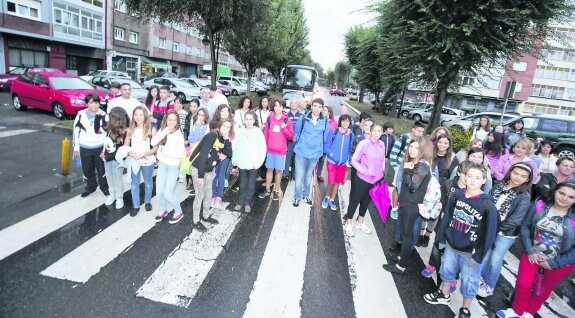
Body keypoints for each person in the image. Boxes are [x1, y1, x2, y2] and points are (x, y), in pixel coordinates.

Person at [423, 163, 498, 318]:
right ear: (463, 176)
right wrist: (443, 239)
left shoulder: (487, 204)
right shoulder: (456, 195)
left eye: (477, 177)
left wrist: (479, 256)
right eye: (469, 176)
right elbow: (447, 218)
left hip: (471, 251)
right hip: (452, 245)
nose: (472, 180)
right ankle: (444, 295)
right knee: (447, 271)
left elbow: (490, 233)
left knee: (470, 280)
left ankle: (465, 308)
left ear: (484, 180)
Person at [496, 182, 575, 318]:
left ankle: (529, 313)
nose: (564, 198)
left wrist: (554, 263)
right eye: (562, 193)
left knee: (543, 289)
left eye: (571, 197)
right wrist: (530, 250)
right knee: (523, 283)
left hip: (559, 262)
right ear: (555, 191)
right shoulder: (540, 205)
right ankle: (517, 311)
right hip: (532, 253)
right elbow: (526, 226)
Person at [478, 163, 533, 297]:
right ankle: (480, 279)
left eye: (523, 176)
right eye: (516, 173)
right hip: (489, 226)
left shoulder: (524, 196)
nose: (518, 177)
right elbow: (486, 203)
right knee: (485, 255)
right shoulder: (498, 186)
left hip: (505, 233)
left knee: (495, 259)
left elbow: (516, 220)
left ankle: (490, 285)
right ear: (510, 172)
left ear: (527, 179)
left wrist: (494, 228)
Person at [383, 137, 433, 271]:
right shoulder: (417, 164)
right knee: (407, 235)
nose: (412, 150)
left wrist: (406, 170)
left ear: (423, 150)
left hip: (411, 206)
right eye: (411, 146)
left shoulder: (422, 166)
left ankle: (401, 266)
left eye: (416, 148)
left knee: (407, 236)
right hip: (408, 204)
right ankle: (402, 258)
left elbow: (412, 186)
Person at [421, 161, 472, 291]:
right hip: (445, 222)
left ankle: (453, 277)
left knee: (456, 252)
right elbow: (441, 199)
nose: (468, 179)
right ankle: (432, 264)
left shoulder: (472, 191)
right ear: (459, 172)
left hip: (461, 227)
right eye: (466, 174)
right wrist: (442, 210)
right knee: (438, 244)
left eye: (471, 176)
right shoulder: (449, 184)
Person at [189, 118, 233, 232]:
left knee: (208, 194)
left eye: (228, 127)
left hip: (208, 170)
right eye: (224, 126)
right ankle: (195, 221)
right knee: (200, 195)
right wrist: (200, 176)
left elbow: (229, 153)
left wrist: (227, 139)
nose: (226, 129)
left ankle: (206, 216)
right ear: (219, 125)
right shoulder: (212, 135)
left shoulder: (222, 139)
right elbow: (203, 154)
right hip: (198, 168)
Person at [417, 134, 459, 248]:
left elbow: (453, 177)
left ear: (449, 144)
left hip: (442, 189)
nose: (442, 145)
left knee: (435, 213)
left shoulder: (452, 158)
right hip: (427, 185)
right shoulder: (431, 153)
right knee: (423, 209)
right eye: (440, 142)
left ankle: (427, 234)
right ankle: (420, 232)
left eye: (446, 143)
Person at [344, 123, 385, 237]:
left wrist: (381, 173)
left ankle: (360, 222)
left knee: (366, 201)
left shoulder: (382, 144)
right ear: (370, 132)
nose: (377, 133)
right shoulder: (364, 143)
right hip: (362, 179)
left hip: (375, 180)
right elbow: (354, 160)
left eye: (379, 131)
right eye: (375, 130)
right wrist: (364, 171)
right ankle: (349, 223)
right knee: (355, 200)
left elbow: (382, 161)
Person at [292, 98, 329, 207]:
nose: (317, 108)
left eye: (319, 106)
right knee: (299, 176)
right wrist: (301, 142)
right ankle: (297, 197)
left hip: (314, 154)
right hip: (301, 152)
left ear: (322, 108)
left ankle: (306, 195)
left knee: (308, 175)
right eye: (315, 105)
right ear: (311, 106)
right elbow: (297, 133)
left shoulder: (325, 121)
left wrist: (320, 150)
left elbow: (325, 138)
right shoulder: (303, 118)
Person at [151, 111, 186, 224]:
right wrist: (165, 131)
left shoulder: (179, 135)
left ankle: (178, 211)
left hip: (173, 166)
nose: (172, 122)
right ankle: (163, 210)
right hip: (162, 164)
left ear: (177, 122)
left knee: (168, 193)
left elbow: (180, 154)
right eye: (169, 119)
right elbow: (153, 142)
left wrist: (163, 152)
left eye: (174, 120)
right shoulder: (163, 130)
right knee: (159, 191)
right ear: (166, 120)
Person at [72, 93, 109, 198]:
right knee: (87, 170)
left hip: (99, 147)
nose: (94, 106)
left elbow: (107, 135)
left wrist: (105, 150)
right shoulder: (80, 115)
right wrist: (76, 148)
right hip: (85, 148)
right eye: (91, 103)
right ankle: (91, 187)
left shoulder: (104, 115)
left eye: (96, 103)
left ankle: (104, 188)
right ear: (87, 104)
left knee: (102, 170)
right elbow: (76, 132)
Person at [388, 121, 426, 219]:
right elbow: (393, 153)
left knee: (406, 189)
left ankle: (402, 206)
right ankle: (394, 208)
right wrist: (397, 168)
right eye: (419, 131)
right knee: (397, 188)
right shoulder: (404, 138)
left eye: (422, 132)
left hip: (412, 169)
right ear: (413, 130)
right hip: (401, 168)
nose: (421, 134)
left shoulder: (420, 143)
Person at [124, 106, 157, 216]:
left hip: (147, 160)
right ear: (133, 116)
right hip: (134, 161)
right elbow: (125, 146)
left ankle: (147, 201)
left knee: (148, 182)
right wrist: (130, 153)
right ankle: (136, 206)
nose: (138, 117)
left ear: (145, 116)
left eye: (141, 114)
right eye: (136, 114)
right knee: (134, 184)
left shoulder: (151, 129)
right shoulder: (130, 130)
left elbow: (155, 148)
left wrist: (143, 154)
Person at [233, 111, 267, 212]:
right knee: (242, 183)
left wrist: (258, 162)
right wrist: (234, 159)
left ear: (254, 120)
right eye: (246, 119)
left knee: (251, 184)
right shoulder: (239, 131)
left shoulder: (258, 131)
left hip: (254, 163)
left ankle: (248, 202)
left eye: (250, 119)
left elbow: (262, 148)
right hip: (242, 162)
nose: (248, 122)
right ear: (244, 120)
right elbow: (235, 146)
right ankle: (240, 202)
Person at [260, 99, 294, 200]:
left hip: (281, 151)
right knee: (269, 170)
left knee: (279, 171)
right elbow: (266, 134)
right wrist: (265, 148)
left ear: (283, 107)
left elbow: (291, 137)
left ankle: (276, 190)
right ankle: (267, 189)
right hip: (270, 150)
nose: (277, 108)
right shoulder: (270, 119)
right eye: (275, 106)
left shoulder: (287, 120)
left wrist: (284, 128)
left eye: (279, 106)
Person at [322, 114, 354, 210]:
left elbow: (350, 148)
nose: (345, 123)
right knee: (331, 181)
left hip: (343, 163)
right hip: (332, 161)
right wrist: (330, 154)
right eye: (343, 121)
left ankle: (332, 199)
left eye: (347, 121)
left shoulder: (351, 134)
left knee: (337, 181)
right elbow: (326, 145)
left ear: (349, 123)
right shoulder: (334, 131)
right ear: (340, 121)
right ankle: (327, 197)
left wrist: (348, 159)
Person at [102, 107, 130, 209]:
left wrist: (108, 156)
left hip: (117, 160)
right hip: (107, 158)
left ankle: (119, 197)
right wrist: (103, 152)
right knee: (109, 176)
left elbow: (123, 149)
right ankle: (112, 194)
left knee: (117, 178)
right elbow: (106, 143)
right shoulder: (109, 129)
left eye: (111, 116)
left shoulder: (125, 131)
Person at [210, 104, 234, 208]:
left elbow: (234, 140)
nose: (224, 113)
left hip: (226, 154)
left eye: (226, 111)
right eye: (222, 111)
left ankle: (219, 197)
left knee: (220, 175)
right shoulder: (213, 123)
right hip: (215, 153)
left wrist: (224, 154)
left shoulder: (232, 124)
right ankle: (212, 195)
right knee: (213, 175)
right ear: (218, 112)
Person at [184, 106, 209, 193]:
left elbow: (202, 138)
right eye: (199, 114)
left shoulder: (207, 126)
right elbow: (190, 138)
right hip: (193, 149)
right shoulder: (196, 124)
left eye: (202, 115)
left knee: (199, 169)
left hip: (201, 151)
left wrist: (197, 130)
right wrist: (196, 137)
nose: (200, 116)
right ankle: (194, 185)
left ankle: (199, 188)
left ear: (206, 116)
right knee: (192, 167)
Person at [316, 105, 337, 182]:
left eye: (325, 110)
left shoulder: (334, 123)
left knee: (322, 160)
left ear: (329, 112)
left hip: (326, 145)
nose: (323, 111)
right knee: (315, 159)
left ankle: (318, 174)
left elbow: (334, 135)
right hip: (318, 143)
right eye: (323, 110)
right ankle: (312, 173)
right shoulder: (320, 120)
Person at [283, 98, 303, 179]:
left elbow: (302, 128)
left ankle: (295, 174)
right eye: (292, 103)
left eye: (295, 103)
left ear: (297, 105)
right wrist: (290, 136)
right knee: (288, 157)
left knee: (297, 158)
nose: (294, 105)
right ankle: (286, 173)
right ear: (290, 105)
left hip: (298, 140)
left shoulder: (301, 116)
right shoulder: (286, 116)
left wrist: (297, 137)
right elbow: (284, 127)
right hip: (289, 140)